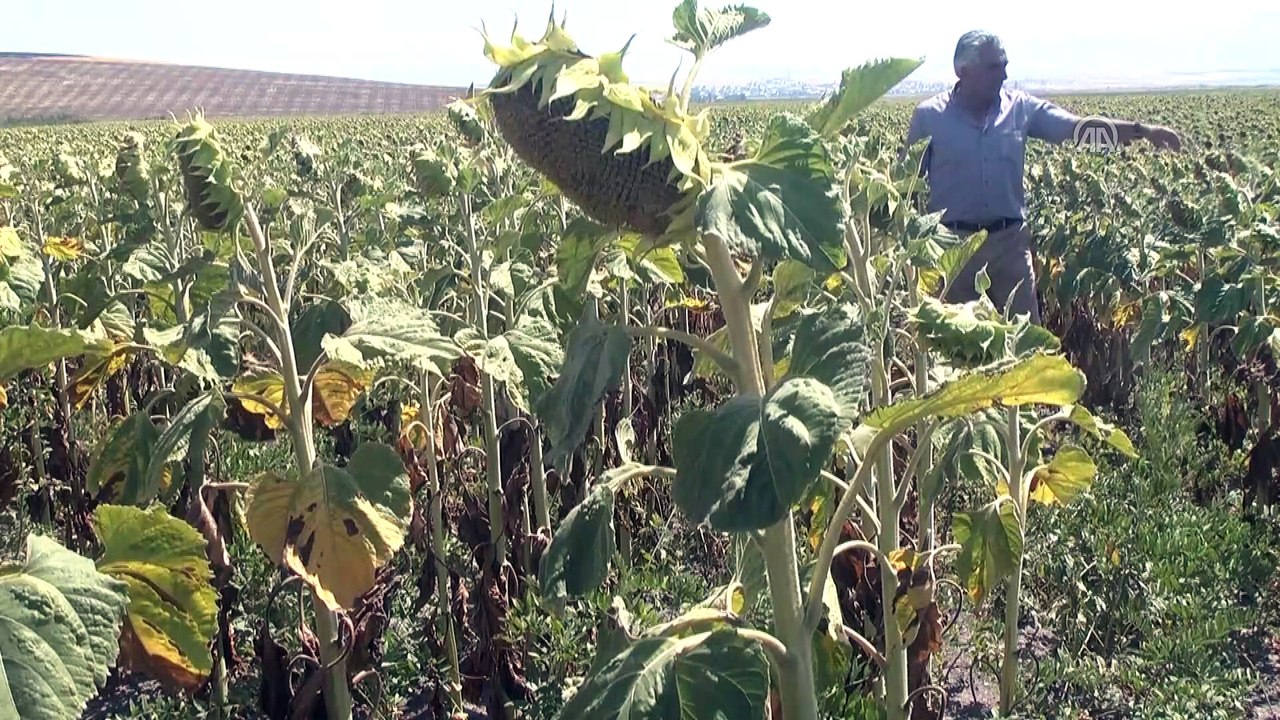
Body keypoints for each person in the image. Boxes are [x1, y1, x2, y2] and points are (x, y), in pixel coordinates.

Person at [902, 30, 1182, 324]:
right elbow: (907, 186)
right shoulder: (929, 117)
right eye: (994, 67)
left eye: (1005, 65)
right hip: (954, 251)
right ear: (963, 71)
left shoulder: (1020, 108)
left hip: (1009, 246)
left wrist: (1141, 131)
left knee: (1027, 344)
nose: (1004, 75)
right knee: (958, 348)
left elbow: (1076, 129)